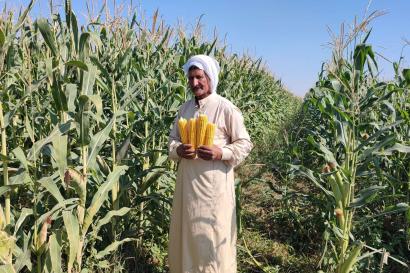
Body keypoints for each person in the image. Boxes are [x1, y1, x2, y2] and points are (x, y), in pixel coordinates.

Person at [168, 54, 253, 273]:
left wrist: (220, 152)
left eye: (199, 77)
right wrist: (178, 149)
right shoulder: (184, 109)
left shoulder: (225, 108)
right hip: (187, 187)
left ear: (210, 78)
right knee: (188, 237)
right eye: (191, 78)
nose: (194, 83)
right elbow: (172, 141)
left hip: (213, 191)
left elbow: (244, 144)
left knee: (211, 238)